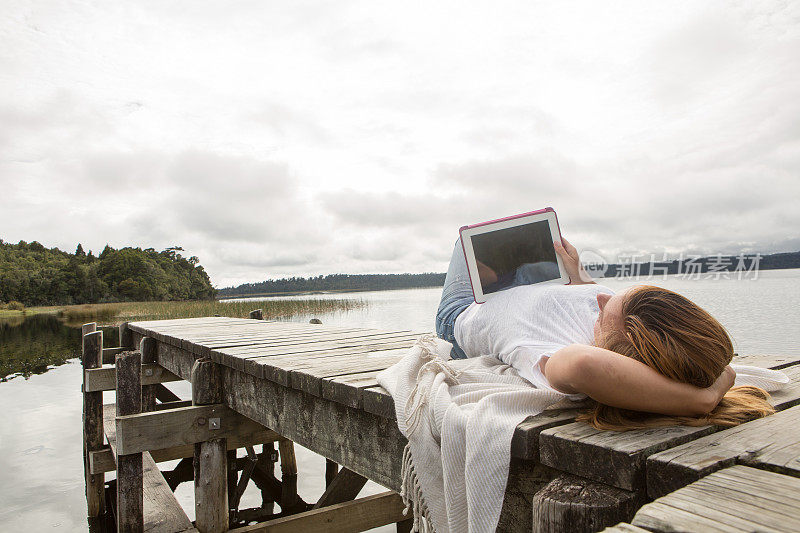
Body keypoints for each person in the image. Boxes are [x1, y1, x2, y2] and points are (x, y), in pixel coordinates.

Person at [435, 236, 774, 430]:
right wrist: (579, 277)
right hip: (531, 296)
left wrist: (701, 399)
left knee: (464, 244)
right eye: (612, 296)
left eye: (605, 311)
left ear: (616, 351)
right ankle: (501, 276)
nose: (600, 298)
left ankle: (492, 277)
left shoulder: (561, 360)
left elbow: (584, 364)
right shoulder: (621, 330)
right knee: (533, 267)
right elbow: (724, 367)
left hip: (466, 312)